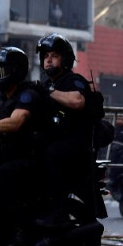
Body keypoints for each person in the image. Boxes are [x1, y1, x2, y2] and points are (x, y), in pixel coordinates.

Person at [0, 46, 48, 246]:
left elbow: (15, 122)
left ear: (15, 71)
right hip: (6, 155)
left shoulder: (27, 95)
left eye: (1, 71)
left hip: (27, 158)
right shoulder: (1, 99)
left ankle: (17, 229)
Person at [37, 33, 92, 208]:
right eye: (46, 56)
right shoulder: (44, 85)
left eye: (54, 56)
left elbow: (77, 101)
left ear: (65, 59)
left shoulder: (74, 81)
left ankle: (55, 210)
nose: (49, 60)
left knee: (48, 156)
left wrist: (48, 92)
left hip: (72, 145)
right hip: (49, 140)